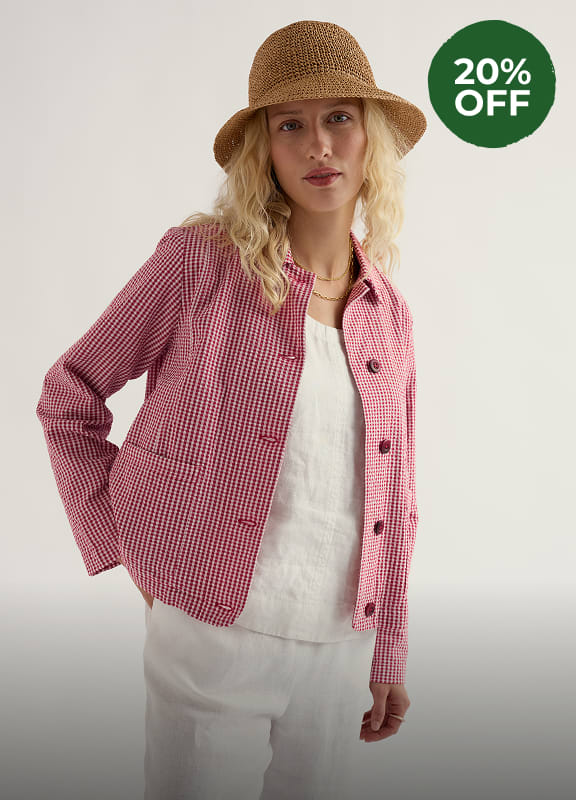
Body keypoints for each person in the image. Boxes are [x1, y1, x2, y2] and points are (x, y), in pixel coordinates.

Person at [36, 19, 426, 800]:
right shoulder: (200, 265)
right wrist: (131, 551)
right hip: (210, 635)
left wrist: (387, 653)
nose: (319, 145)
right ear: (264, 151)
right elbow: (68, 395)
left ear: (371, 140)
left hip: (338, 649)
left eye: (339, 118)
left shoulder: (389, 313)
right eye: (291, 125)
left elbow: (396, 499)